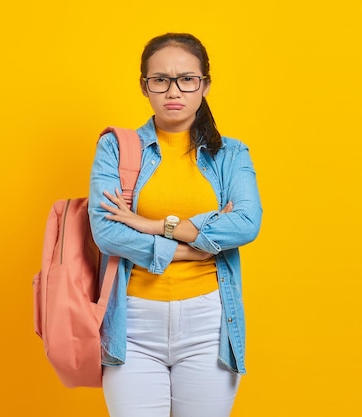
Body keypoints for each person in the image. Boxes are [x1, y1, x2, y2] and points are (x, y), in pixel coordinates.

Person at [88, 32, 262, 417]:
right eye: (160, 80)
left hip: (208, 322)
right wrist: (191, 245)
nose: (174, 91)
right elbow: (106, 232)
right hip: (132, 324)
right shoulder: (116, 148)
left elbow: (247, 224)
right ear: (144, 86)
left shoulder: (231, 154)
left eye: (187, 79)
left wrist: (153, 225)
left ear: (205, 85)